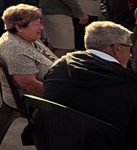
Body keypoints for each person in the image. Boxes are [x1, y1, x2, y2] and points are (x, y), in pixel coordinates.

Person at [43, 21, 137, 150]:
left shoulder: (60, 66)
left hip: (52, 140)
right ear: (117, 48)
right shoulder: (128, 84)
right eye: (129, 47)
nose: (131, 54)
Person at [0, 5, 57, 108]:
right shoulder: (14, 49)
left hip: (55, 86)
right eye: (37, 24)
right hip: (34, 100)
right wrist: (61, 94)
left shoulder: (29, 39)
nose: (41, 27)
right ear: (19, 27)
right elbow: (29, 84)